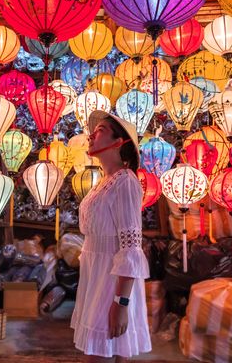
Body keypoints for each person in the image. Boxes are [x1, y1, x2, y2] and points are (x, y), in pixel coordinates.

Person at [71, 110, 151, 363]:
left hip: (112, 281)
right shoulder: (104, 182)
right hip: (96, 276)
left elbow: (131, 247)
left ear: (119, 142)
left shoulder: (125, 182)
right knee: (104, 352)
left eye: (101, 131)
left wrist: (121, 302)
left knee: (102, 352)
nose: (91, 136)